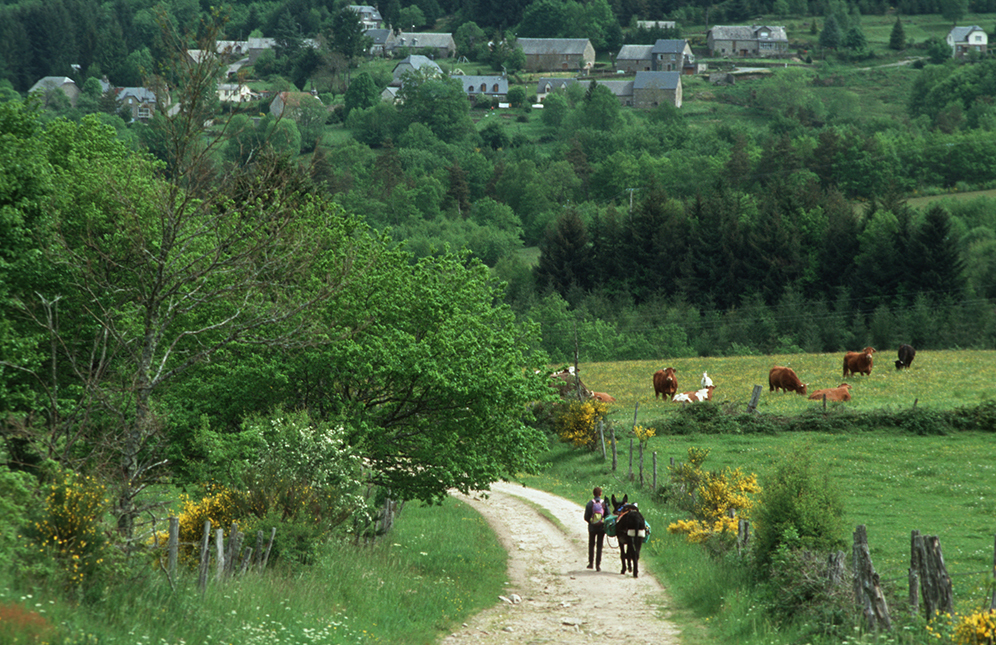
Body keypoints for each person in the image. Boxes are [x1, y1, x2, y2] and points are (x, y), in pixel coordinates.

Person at [583, 486, 608, 571]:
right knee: (599, 545)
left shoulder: (590, 503)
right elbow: (608, 515)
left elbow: (586, 517)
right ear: (600, 494)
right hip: (601, 528)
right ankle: (598, 565)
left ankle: (591, 563)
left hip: (592, 528)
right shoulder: (604, 503)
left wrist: (591, 522)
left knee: (591, 544)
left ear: (593, 494)